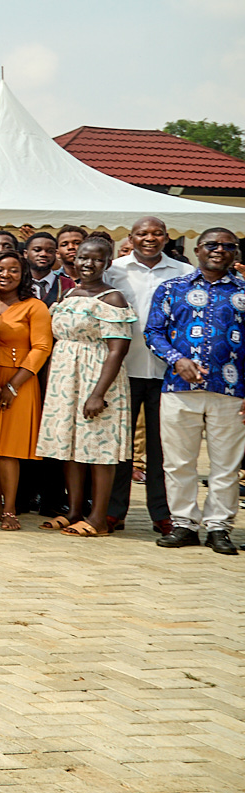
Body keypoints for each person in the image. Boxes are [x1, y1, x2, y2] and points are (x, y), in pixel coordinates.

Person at [147, 227, 245, 554]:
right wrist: (177, 360)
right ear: (198, 249)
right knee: (178, 462)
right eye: (212, 244)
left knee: (226, 465)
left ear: (235, 252)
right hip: (179, 388)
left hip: (231, 389)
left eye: (227, 246)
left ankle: (219, 528)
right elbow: (153, 332)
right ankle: (184, 524)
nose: (219, 250)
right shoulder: (172, 288)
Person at [38, 235, 134, 538]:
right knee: (70, 447)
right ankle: (74, 511)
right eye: (83, 257)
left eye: (96, 259)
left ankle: (98, 518)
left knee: (98, 448)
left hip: (97, 378)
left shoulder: (113, 298)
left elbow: (118, 350)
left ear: (107, 263)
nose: (88, 264)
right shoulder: (68, 294)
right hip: (66, 379)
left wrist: (98, 393)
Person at [104, 216, 194, 534]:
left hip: (167, 373)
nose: (150, 238)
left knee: (162, 447)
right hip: (123, 370)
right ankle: (114, 511)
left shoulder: (184, 273)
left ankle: (162, 513)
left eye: (157, 233)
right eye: (142, 233)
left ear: (167, 238)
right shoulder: (113, 271)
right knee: (120, 445)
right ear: (131, 238)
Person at [0, 254, 53, 530]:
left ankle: (10, 510)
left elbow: (41, 348)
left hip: (18, 382)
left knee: (7, 450)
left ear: (24, 275)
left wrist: (13, 386)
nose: (5, 274)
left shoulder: (34, 306)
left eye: (13, 270)